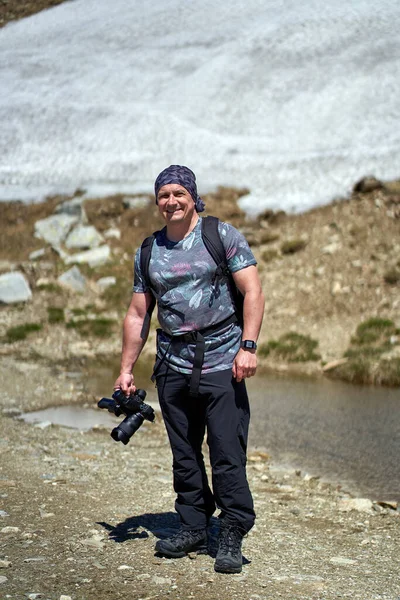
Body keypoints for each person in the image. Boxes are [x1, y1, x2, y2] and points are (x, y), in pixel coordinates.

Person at [114, 165, 265, 574]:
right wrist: (126, 369)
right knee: (184, 453)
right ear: (157, 201)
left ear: (192, 196)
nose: (171, 201)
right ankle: (193, 526)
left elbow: (252, 290)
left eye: (178, 193)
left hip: (222, 361)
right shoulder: (148, 251)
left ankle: (232, 530)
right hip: (172, 365)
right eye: (163, 195)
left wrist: (247, 347)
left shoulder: (221, 235)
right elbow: (138, 313)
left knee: (226, 452)